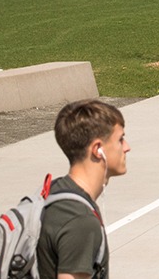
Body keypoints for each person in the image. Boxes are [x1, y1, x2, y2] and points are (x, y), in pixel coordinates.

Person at [38, 100, 130, 279]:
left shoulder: (55, 191)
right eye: (120, 139)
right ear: (98, 149)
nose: (127, 147)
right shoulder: (80, 220)